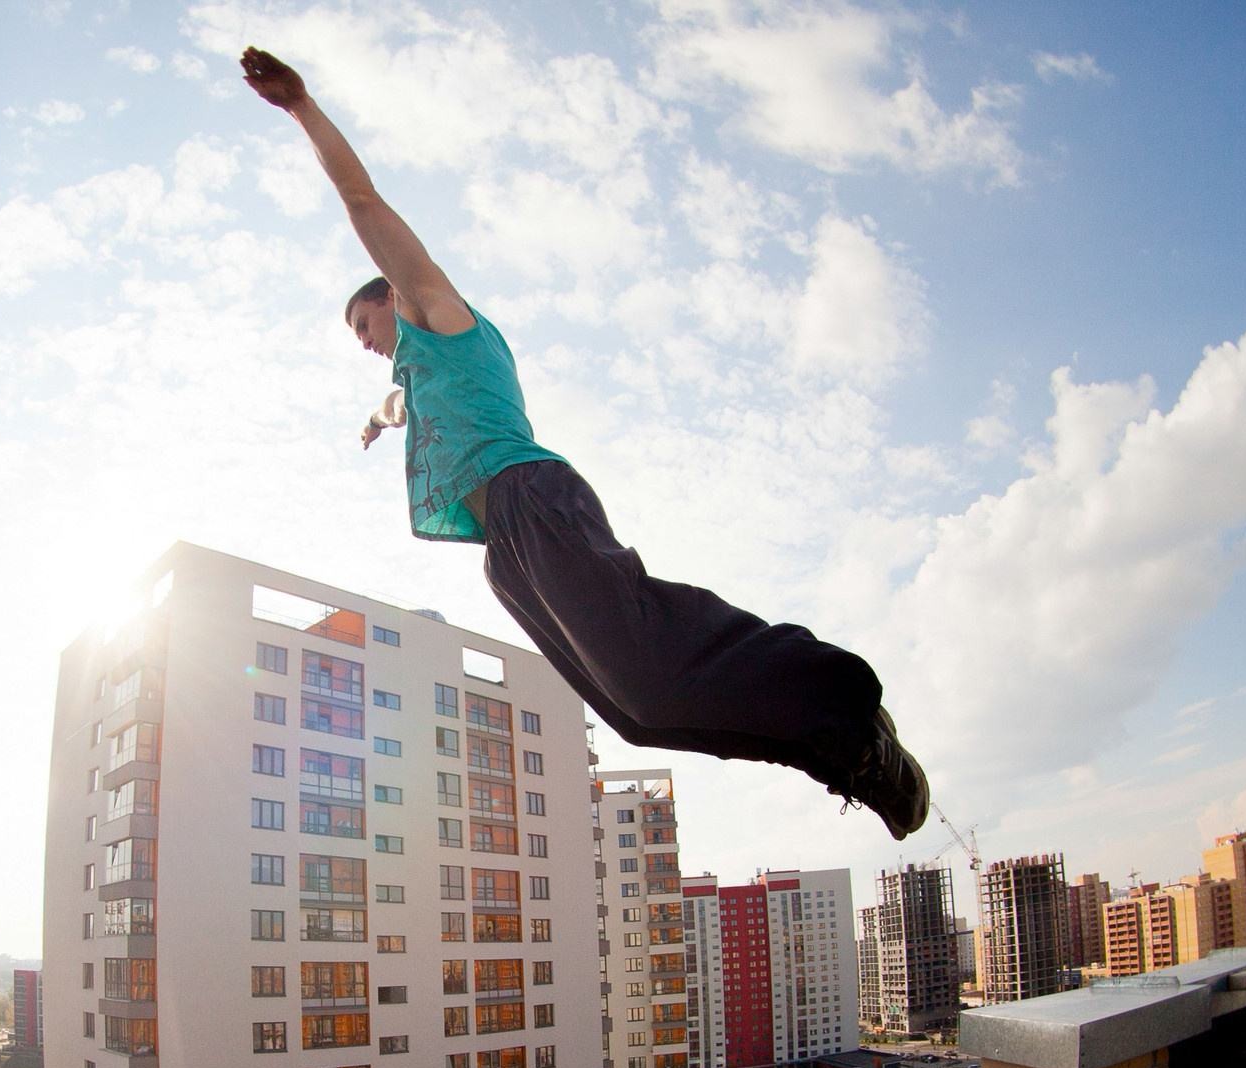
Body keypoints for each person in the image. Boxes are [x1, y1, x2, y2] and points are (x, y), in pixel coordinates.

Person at [239, 48, 927, 839]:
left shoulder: (437, 310)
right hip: (507, 550)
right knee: (638, 710)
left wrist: (302, 110)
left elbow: (362, 202)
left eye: (366, 327)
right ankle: (842, 754)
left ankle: (841, 696)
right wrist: (380, 416)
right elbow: (405, 400)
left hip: (533, 499)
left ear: (393, 295)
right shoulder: (421, 372)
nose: (366, 344)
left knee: (652, 655)